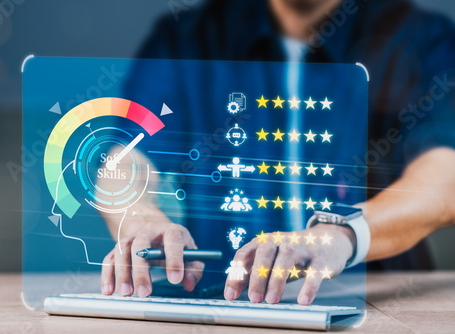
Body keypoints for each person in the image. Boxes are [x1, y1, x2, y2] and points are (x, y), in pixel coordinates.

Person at [100, 0, 455, 305]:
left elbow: (445, 175)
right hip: (221, 304)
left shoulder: (420, 38)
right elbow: (125, 158)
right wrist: (140, 217)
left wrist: (342, 235)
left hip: (377, 302)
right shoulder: (186, 40)